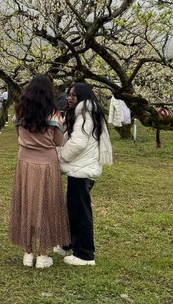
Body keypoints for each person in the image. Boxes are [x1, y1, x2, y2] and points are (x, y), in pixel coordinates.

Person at [9, 75, 70, 269]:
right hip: (47, 163)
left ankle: (28, 252)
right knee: (46, 205)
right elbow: (59, 142)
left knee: (26, 202)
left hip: (24, 161)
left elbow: (19, 134)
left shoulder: (19, 111)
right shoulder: (54, 113)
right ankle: (43, 254)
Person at [56, 82, 113, 266]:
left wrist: (61, 158)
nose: (70, 98)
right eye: (69, 94)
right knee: (73, 209)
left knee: (80, 212)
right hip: (81, 168)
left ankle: (85, 254)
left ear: (83, 96)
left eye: (74, 95)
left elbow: (78, 143)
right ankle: (69, 244)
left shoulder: (85, 114)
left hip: (82, 170)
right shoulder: (86, 112)